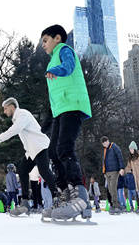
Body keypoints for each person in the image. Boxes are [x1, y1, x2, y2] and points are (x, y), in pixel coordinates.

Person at [41, 24, 92, 221]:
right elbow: (53, 98)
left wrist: (58, 69)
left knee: (64, 148)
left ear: (57, 38)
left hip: (73, 105)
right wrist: (45, 123)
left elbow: (69, 66)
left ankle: (79, 194)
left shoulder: (64, 50)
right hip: (60, 110)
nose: (43, 45)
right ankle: (63, 194)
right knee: (53, 151)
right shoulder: (51, 61)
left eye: (45, 40)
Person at [0, 97, 58, 216]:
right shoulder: (17, 118)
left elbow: (15, 130)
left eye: (5, 109)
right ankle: (25, 202)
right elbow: (26, 138)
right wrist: (27, 152)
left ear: (12, 107)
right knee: (22, 169)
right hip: (31, 151)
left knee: (44, 171)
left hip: (41, 147)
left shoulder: (22, 114)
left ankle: (57, 198)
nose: (4, 112)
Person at [100, 136, 125, 214]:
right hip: (107, 172)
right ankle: (114, 204)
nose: (104, 145)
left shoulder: (114, 147)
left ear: (108, 141)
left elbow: (120, 157)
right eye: (103, 144)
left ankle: (116, 205)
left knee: (113, 188)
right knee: (110, 189)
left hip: (114, 170)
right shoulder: (105, 150)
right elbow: (103, 161)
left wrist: (121, 168)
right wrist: (104, 172)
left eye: (105, 143)